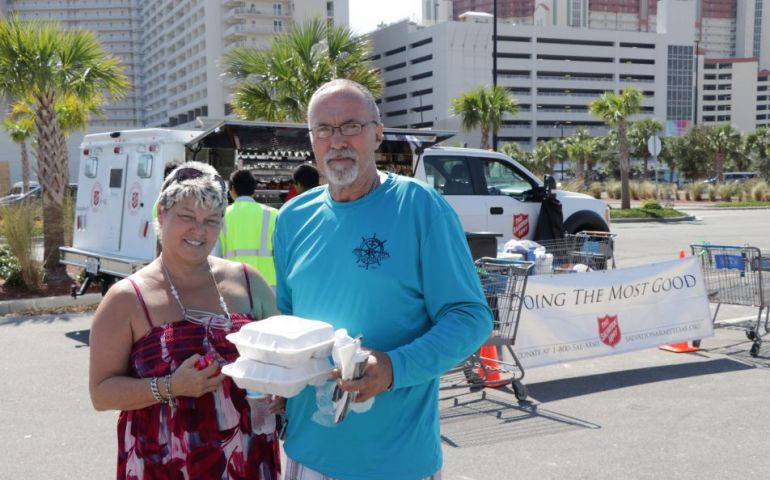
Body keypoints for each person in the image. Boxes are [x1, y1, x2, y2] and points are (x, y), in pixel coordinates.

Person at [273, 79, 493, 479]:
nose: (336, 140)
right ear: (312, 140)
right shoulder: (292, 218)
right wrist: (277, 377)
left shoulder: (420, 207)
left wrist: (393, 367)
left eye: (351, 126)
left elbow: (470, 316)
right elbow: (290, 320)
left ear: (378, 133)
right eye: (324, 129)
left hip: (395, 460)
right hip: (308, 453)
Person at [89, 161, 282, 479]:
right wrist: (169, 386)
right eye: (187, 217)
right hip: (165, 465)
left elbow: (281, 357)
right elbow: (101, 393)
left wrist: (278, 392)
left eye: (211, 220)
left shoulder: (247, 281)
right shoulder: (126, 298)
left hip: (247, 459)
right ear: (161, 215)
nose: (199, 230)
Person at [214, 168, 279, 287]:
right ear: (254, 190)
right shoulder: (273, 215)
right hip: (268, 285)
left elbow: (214, 257)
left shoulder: (220, 217)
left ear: (231, 189)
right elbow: (282, 255)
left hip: (233, 285)